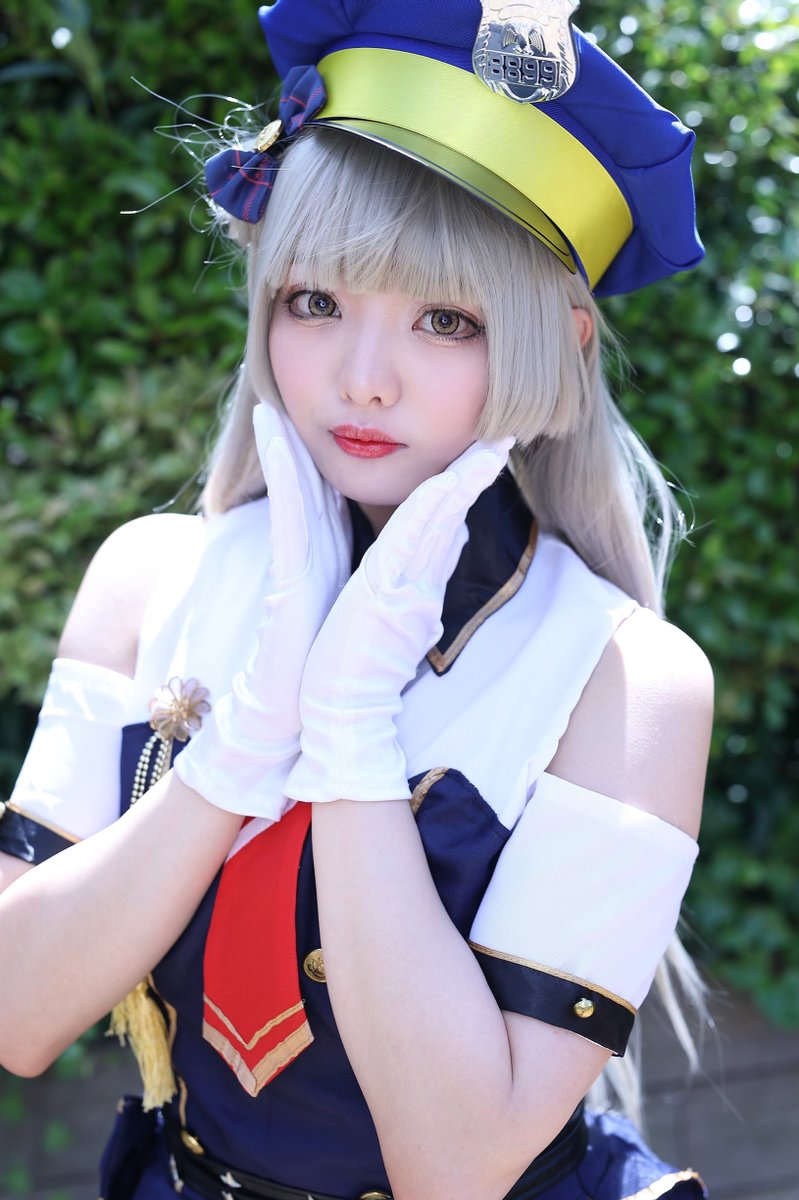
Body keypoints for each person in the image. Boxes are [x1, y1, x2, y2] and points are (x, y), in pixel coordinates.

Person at [0, 2, 715, 1198]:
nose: (361, 378)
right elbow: (18, 1014)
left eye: (445, 320)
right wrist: (240, 748)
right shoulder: (151, 576)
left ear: (561, 345)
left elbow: (456, 1170)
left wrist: (347, 735)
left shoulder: (626, 677)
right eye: (315, 303)